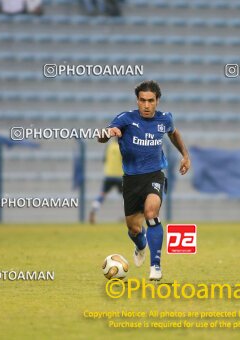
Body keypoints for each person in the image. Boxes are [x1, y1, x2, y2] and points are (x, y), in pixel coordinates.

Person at [98, 80, 191, 281]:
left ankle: (155, 266)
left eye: (150, 101)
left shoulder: (165, 119)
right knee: (133, 228)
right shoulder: (126, 118)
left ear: (157, 101)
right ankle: (141, 245)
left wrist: (185, 155)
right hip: (131, 180)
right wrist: (108, 133)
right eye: (142, 100)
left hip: (154, 175)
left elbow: (173, 133)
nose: (146, 105)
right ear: (137, 101)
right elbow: (103, 135)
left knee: (151, 212)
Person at [89, 138, 123, 224]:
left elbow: (104, 160)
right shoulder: (122, 146)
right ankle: (129, 216)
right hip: (120, 175)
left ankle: (94, 208)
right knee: (126, 197)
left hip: (109, 174)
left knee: (102, 194)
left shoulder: (109, 146)